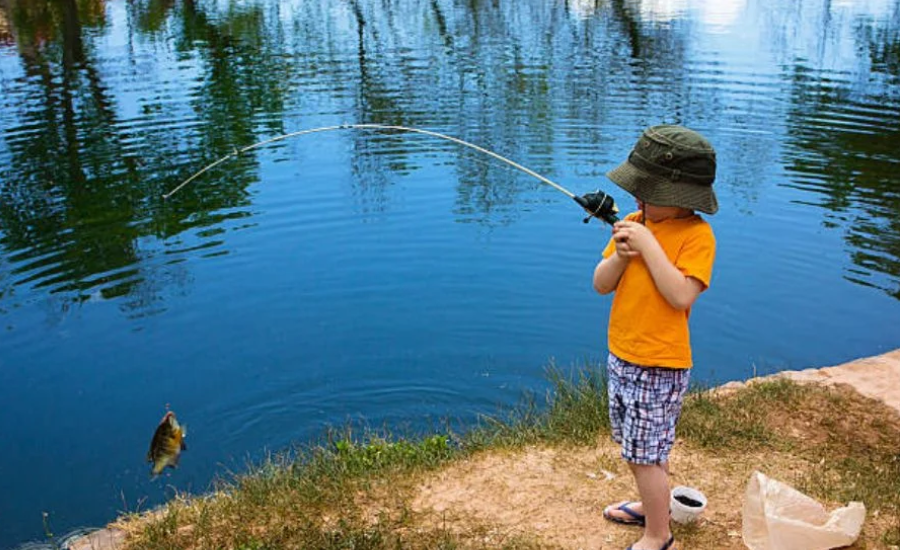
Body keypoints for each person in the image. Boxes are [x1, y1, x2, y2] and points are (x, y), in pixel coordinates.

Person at [591, 125, 718, 550]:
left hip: (659, 364)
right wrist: (623, 257)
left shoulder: (696, 237)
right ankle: (653, 506)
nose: (637, 198)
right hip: (622, 354)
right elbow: (600, 284)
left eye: (648, 190)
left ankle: (659, 535)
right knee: (636, 447)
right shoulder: (634, 223)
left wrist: (648, 246)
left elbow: (681, 294)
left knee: (645, 454)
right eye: (637, 188)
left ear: (682, 196)